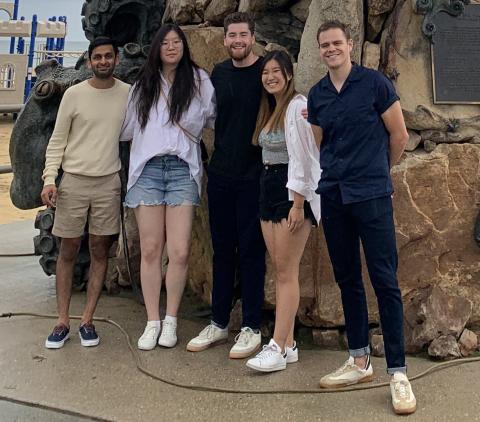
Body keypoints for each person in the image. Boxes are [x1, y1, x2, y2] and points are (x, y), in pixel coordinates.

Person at [307, 21, 415, 414]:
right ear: (320, 50)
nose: (331, 49)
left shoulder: (375, 84)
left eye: (337, 42)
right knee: (347, 277)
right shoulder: (318, 95)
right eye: (325, 45)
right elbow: (320, 141)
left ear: (350, 45)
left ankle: (398, 373)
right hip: (334, 195)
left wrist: (376, 172)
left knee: (385, 280)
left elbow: (398, 136)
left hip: (372, 194)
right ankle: (358, 360)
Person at [120, 24, 215, 351]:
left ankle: (171, 319)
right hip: (148, 169)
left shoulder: (200, 81)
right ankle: (152, 320)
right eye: (166, 42)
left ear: (184, 46)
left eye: (177, 42)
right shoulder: (142, 85)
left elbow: (211, 118)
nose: (172, 47)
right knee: (150, 249)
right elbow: (126, 129)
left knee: (180, 250)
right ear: (157, 48)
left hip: (181, 169)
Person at [41, 37, 130, 349]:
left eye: (108, 56)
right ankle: (62, 320)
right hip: (74, 180)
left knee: (99, 250)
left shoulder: (128, 95)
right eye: (97, 57)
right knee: (67, 248)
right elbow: (57, 140)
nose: (103, 61)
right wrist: (49, 178)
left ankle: (88, 320)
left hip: (108, 182)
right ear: (90, 61)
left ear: (116, 60)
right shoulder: (74, 95)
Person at [186, 12, 266, 359]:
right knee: (222, 249)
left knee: (251, 251)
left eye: (242, 35)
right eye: (231, 35)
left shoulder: (266, 73)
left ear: (252, 37)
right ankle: (218, 322)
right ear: (225, 39)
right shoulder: (218, 73)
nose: (237, 40)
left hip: (254, 175)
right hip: (221, 173)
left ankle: (251, 326)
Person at [244, 50, 321, 372]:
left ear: (289, 75)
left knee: (287, 271)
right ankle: (287, 344)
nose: (270, 76)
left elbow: (305, 155)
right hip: (268, 185)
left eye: (277, 71)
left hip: (290, 191)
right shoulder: (271, 109)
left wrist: (299, 203)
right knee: (279, 268)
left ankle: (276, 345)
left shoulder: (298, 106)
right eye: (266, 72)